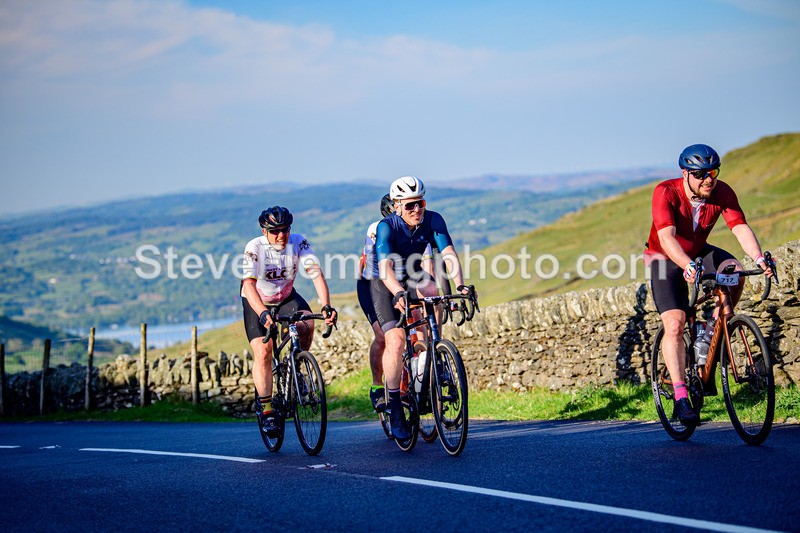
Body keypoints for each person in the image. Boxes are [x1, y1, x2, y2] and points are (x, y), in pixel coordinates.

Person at [644, 144, 774, 426]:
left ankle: (712, 328)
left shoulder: (722, 192)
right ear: (685, 174)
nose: (708, 179)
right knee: (675, 324)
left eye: (713, 172)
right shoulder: (665, 192)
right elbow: (666, 238)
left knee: (735, 270)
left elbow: (739, 226)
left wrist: (758, 258)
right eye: (700, 174)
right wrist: (687, 265)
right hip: (664, 258)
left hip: (697, 251)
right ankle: (681, 397)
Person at [372, 176, 471, 439]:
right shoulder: (386, 227)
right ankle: (395, 407)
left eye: (421, 203)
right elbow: (385, 269)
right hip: (386, 283)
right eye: (410, 205)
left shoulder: (433, 220)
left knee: (432, 292)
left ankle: (435, 350)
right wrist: (398, 293)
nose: (417, 210)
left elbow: (448, 254)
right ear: (397, 206)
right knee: (396, 340)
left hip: (413, 276)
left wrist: (461, 286)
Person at [241, 206, 337, 436]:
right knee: (264, 350)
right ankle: (266, 410)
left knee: (307, 323)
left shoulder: (298, 241)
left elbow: (316, 274)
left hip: (285, 297)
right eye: (275, 231)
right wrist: (263, 313)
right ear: (264, 231)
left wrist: (326, 306)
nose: (281, 235)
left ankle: (296, 367)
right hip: (257, 301)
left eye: (285, 229)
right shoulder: (254, 247)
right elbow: (248, 286)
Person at [356, 193, 396, 412]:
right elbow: (378, 270)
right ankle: (377, 386)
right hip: (373, 284)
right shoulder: (377, 229)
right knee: (382, 335)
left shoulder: (417, 228)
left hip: (400, 282)